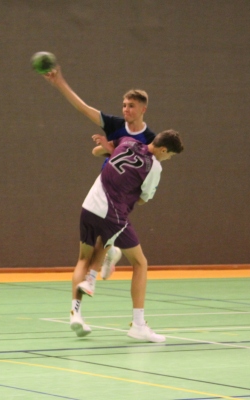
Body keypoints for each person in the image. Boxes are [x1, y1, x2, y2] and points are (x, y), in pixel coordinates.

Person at [42, 64, 156, 280]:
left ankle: (107, 255)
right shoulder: (115, 125)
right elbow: (83, 108)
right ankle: (106, 256)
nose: (125, 109)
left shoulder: (150, 139)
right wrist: (59, 83)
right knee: (97, 234)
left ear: (143, 109)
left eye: (131, 106)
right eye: (123, 105)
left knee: (108, 235)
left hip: (126, 194)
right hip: (106, 188)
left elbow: (152, 167)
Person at [69, 130, 183, 342]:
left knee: (84, 257)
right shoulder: (154, 166)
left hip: (88, 206)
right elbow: (143, 199)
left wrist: (106, 148)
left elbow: (103, 151)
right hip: (112, 212)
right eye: (170, 156)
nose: (168, 159)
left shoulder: (128, 141)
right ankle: (138, 324)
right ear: (164, 149)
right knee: (140, 263)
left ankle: (75, 312)